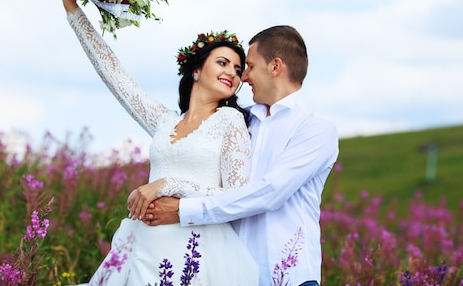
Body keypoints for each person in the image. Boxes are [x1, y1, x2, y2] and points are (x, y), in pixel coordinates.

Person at [60, 0, 259, 286]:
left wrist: (167, 185)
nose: (232, 72)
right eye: (222, 62)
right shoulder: (164, 122)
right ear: (195, 70)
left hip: (195, 249)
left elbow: (236, 197)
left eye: (238, 68)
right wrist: (73, 9)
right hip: (143, 243)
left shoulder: (230, 121)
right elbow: (114, 74)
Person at [135, 26, 340, 286]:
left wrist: (181, 210)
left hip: (288, 274)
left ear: (275, 67)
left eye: (249, 67)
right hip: (231, 273)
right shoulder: (241, 121)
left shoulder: (315, 126)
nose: (243, 77)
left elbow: (270, 193)